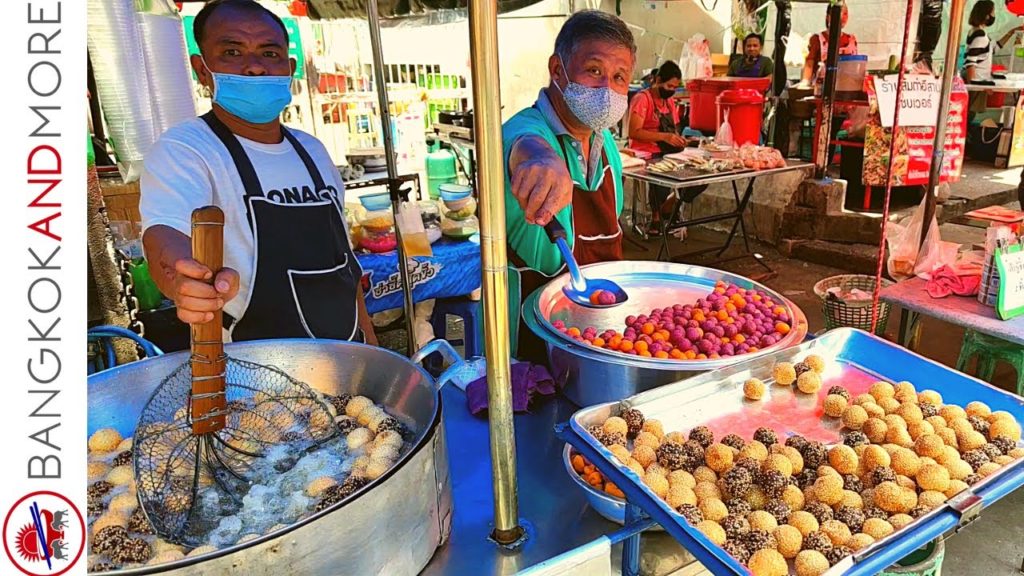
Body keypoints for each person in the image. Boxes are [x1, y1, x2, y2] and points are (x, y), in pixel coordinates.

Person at [140, 0, 377, 345]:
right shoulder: (186, 149)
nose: (254, 68)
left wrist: (371, 345)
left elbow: (345, 267)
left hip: (346, 361)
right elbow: (164, 233)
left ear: (289, 67)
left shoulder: (312, 150)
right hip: (254, 376)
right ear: (202, 70)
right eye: (233, 51)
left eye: (269, 54)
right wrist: (181, 278)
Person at [501, 10, 636, 361]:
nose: (607, 88)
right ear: (557, 70)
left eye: (619, 77)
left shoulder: (606, 145)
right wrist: (541, 163)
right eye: (594, 71)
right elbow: (526, 148)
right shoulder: (522, 131)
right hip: (531, 339)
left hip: (599, 336)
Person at [627, 61, 689, 235]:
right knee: (661, 173)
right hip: (645, 150)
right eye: (669, 85)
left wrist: (680, 139)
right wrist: (664, 137)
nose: (671, 90)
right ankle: (656, 217)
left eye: (675, 87)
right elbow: (634, 132)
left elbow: (674, 128)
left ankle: (669, 205)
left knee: (698, 175)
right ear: (658, 80)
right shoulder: (642, 99)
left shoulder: (669, 101)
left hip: (667, 149)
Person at [964, 1, 1024, 116]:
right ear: (986, 15)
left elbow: (994, 49)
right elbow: (971, 62)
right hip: (978, 83)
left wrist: (1011, 32)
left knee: (972, 115)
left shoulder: (977, 32)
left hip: (981, 83)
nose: (994, 15)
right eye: (993, 12)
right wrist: (973, 86)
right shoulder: (980, 35)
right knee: (970, 115)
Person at [800, 2, 858, 87]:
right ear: (828, 17)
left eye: (846, 13)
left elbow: (855, 66)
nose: (844, 17)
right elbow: (809, 64)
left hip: (845, 87)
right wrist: (805, 82)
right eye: (841, 12)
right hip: (821, 87)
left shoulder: (851, 39)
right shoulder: (817, 39)